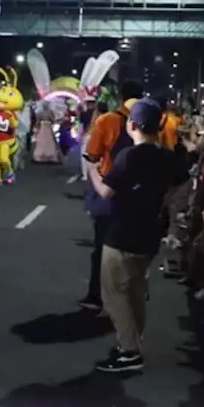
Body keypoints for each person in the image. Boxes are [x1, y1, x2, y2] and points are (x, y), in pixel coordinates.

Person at [84, 98, 188, 373]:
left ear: (131, 125)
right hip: (150, 232)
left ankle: (129, 352)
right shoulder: (167, 155)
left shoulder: (129, 156)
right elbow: (183, 184)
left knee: (115, 294)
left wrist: (92, 171)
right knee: (136, 291)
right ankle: (132, 344)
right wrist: (162, 201)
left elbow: (107, 192)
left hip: (122, 232)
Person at [79, 80, 145, 312]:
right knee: (135, 250)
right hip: (143, 195)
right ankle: (133, 296)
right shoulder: (156, 122)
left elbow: (92, 155)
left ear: (120, 96)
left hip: (111, 190)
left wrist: (93, 175)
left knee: (104, 248)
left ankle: (97, 297)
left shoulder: (107, 121)